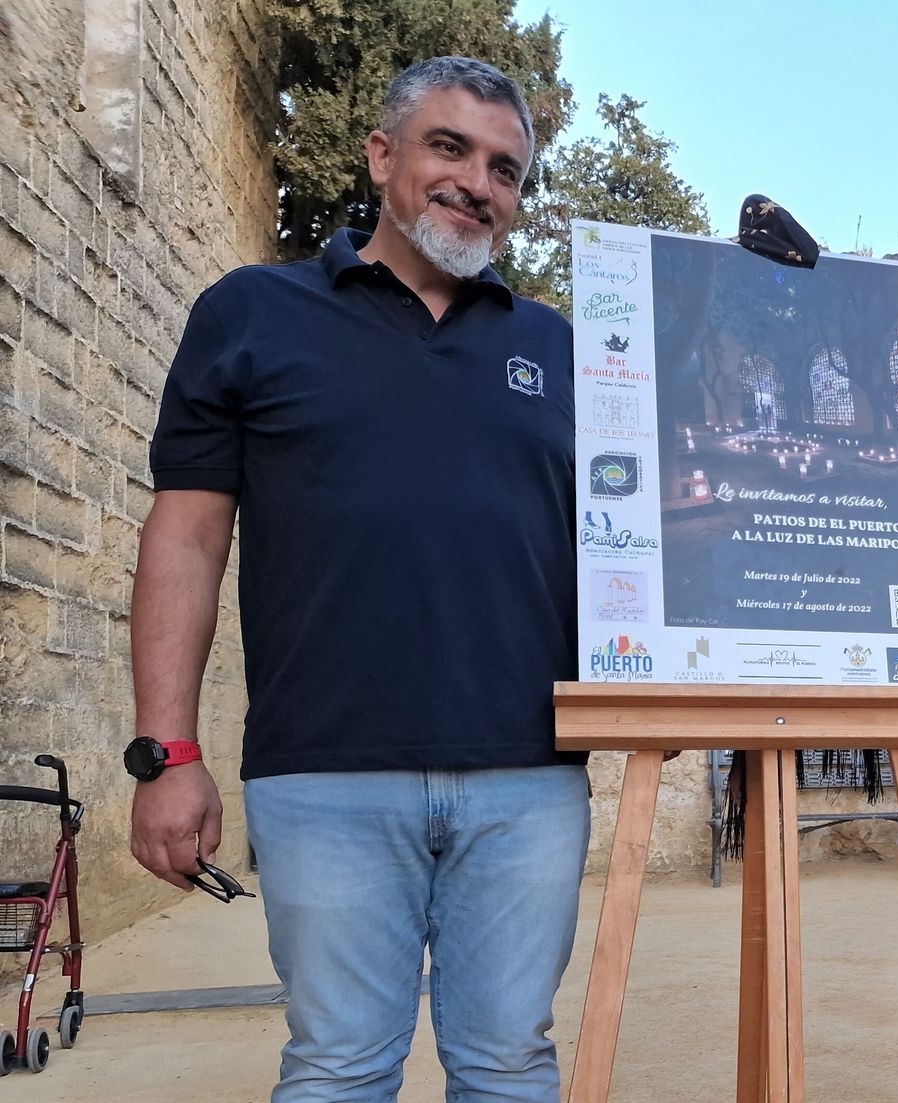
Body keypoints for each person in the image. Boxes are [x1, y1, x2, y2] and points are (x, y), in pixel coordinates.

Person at [126, 57, 587, 1101]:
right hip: (321, 775)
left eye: (506, 168)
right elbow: (186, 540)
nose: (479, 181)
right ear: (382, 156)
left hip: (528, 776)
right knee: (337, 1066)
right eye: (450, 147)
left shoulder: (563, 348)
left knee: (512, 1064)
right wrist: (167, 752)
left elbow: (634, 544)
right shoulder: (248, 313)